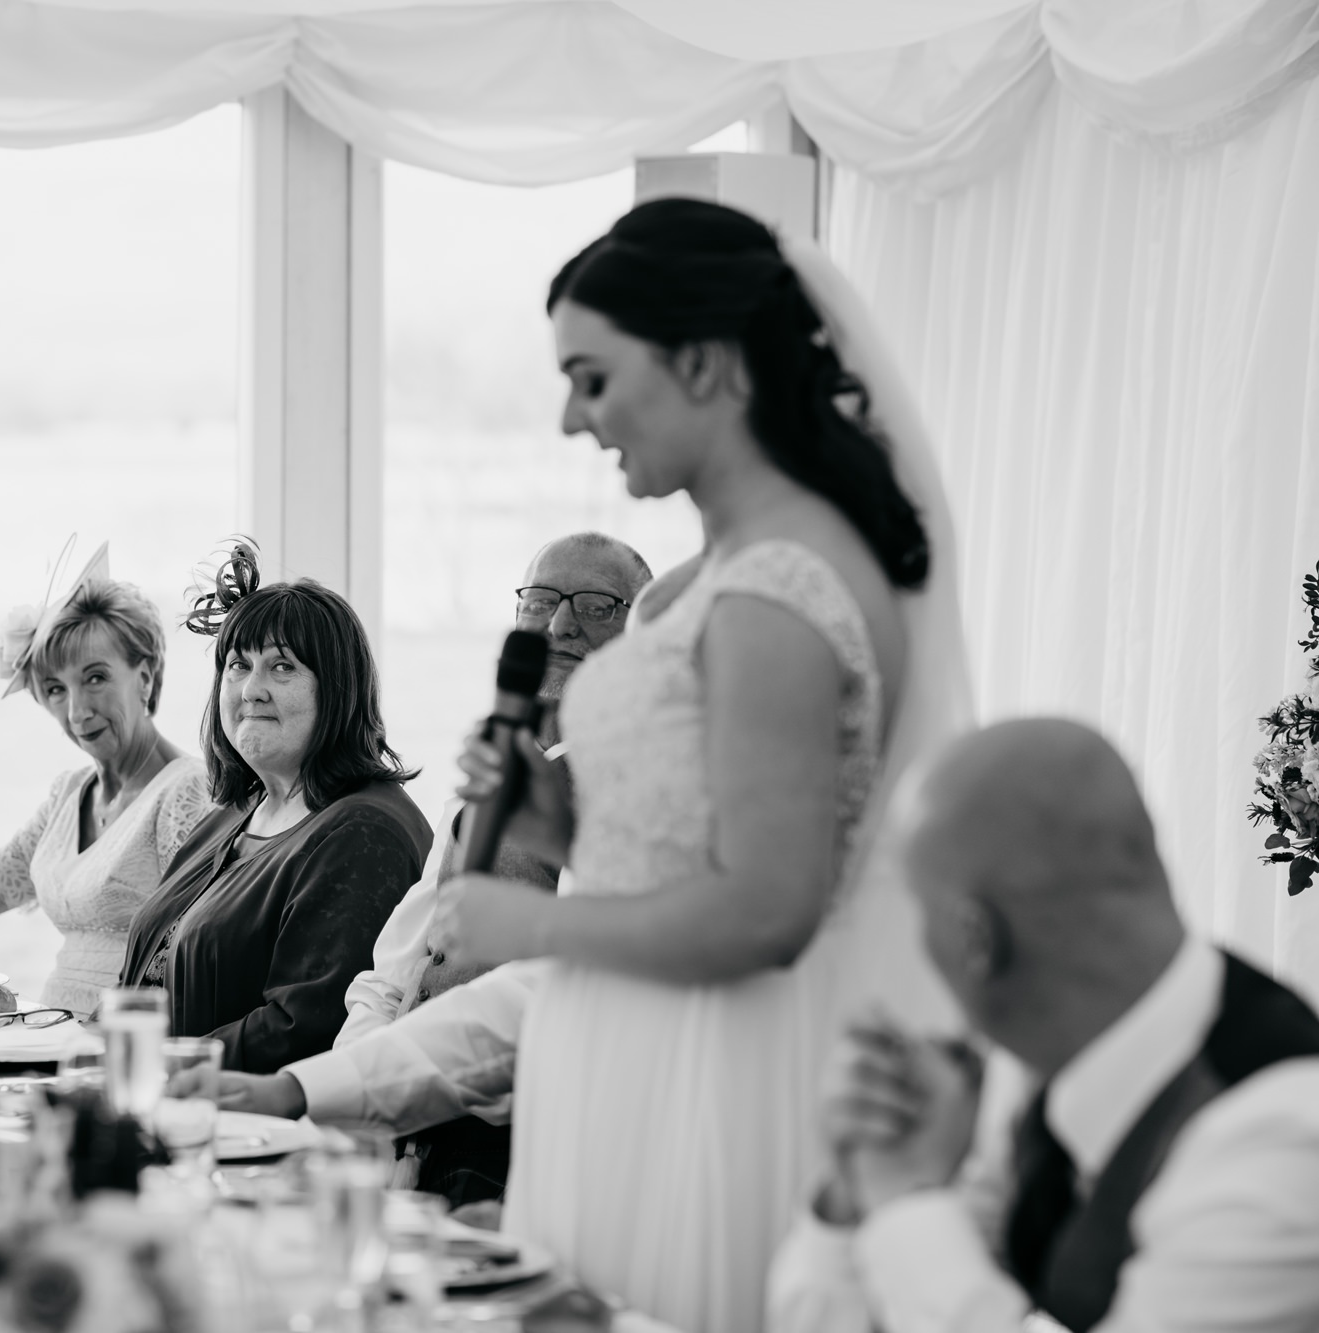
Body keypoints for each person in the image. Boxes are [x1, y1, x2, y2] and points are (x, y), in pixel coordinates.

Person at [390, 198, 973, 1329]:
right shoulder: (716, 576)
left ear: (703, 363)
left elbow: (767, 907)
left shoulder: (778, 591)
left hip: (706, 1065)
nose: (570, 417)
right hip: (626, 1043)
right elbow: (685, 848)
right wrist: (557, 816)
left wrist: (528, 925)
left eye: (593, 379)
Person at [769, 718, 1319, 1333]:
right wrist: (856, 1193)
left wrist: (904, 1199)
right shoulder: (1026, 1071)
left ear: (971, 939)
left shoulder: (1282, 1148)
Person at [210, 532, 656, 1210]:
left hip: (519, 1140)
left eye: (596, 605)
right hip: (407, 1119)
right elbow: (391, 977)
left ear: (642, 630)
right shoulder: (479, 790)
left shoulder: (632, 793)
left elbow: (554, 1002)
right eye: (541, 601)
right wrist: (365, 1114)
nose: (562, 625)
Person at [118, 544, 433, 1073]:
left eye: (281, 667)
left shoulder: (365, 832)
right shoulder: (236, 813)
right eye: (239, 665)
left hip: (255, 1131)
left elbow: (307, 1026)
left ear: (337, 690)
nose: (252, 689)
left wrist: (156, 1066)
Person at [0, 544, 212, 1018]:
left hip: (120, 1042)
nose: (77, 711)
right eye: (56, 689)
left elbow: (197, 947)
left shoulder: (185, 790)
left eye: (96, 678)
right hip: (47, 1033)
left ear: (144, 677)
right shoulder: (69, 794)